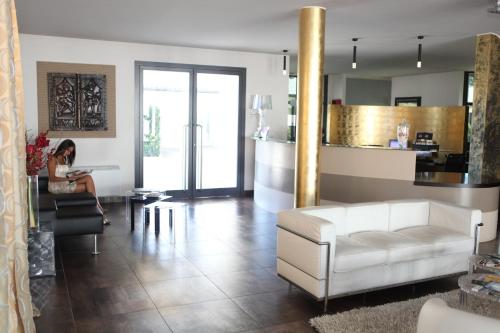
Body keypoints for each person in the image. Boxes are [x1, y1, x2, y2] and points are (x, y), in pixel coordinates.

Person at [47, 139, 110, 225]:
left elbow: (64, 175)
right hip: (56, 187)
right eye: (68, 150)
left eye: (70, 152)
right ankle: (99, 209)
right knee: (87, 186)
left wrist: (78, 174)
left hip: (65, 183)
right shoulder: (52, 159)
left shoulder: (63, 158)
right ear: (63, 147)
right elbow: (52, 178)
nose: (69, 153)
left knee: (88, 177)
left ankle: (98, 208)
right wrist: (69, 179)